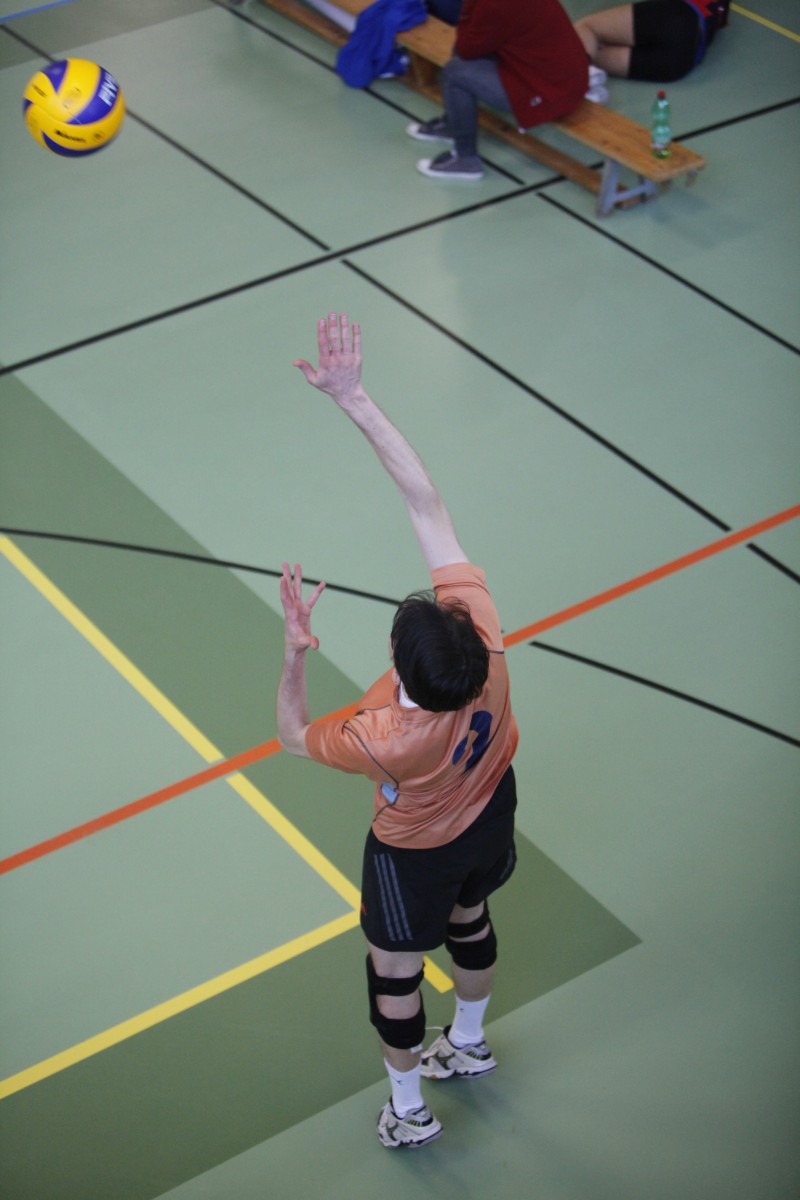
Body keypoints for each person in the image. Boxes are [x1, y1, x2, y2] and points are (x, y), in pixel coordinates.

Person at [277, 312, 519, 1148]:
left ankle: (409, 1111)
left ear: (394, 663)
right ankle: (471, 1042)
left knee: (395, 973)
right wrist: (356, 398)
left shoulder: (382, 737)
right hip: (491, 805)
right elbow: (427, 503)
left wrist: (295, 654)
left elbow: (292, 734)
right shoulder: (485, 646)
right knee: (470, 920)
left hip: (413, 852)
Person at [406, 0, 589, 180]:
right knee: (466, 50)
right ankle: (452, 124)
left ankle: (466, 160)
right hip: (560, 75)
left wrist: (468, 7)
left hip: (552, 90)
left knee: (456, 72)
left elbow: (467, 47)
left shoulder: (493, 5)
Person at [574, 0, 730, 83]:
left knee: (586, 27)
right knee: (592, 53)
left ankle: (577, 84)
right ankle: (585, 81)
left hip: (679, 16)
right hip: (683, 61)